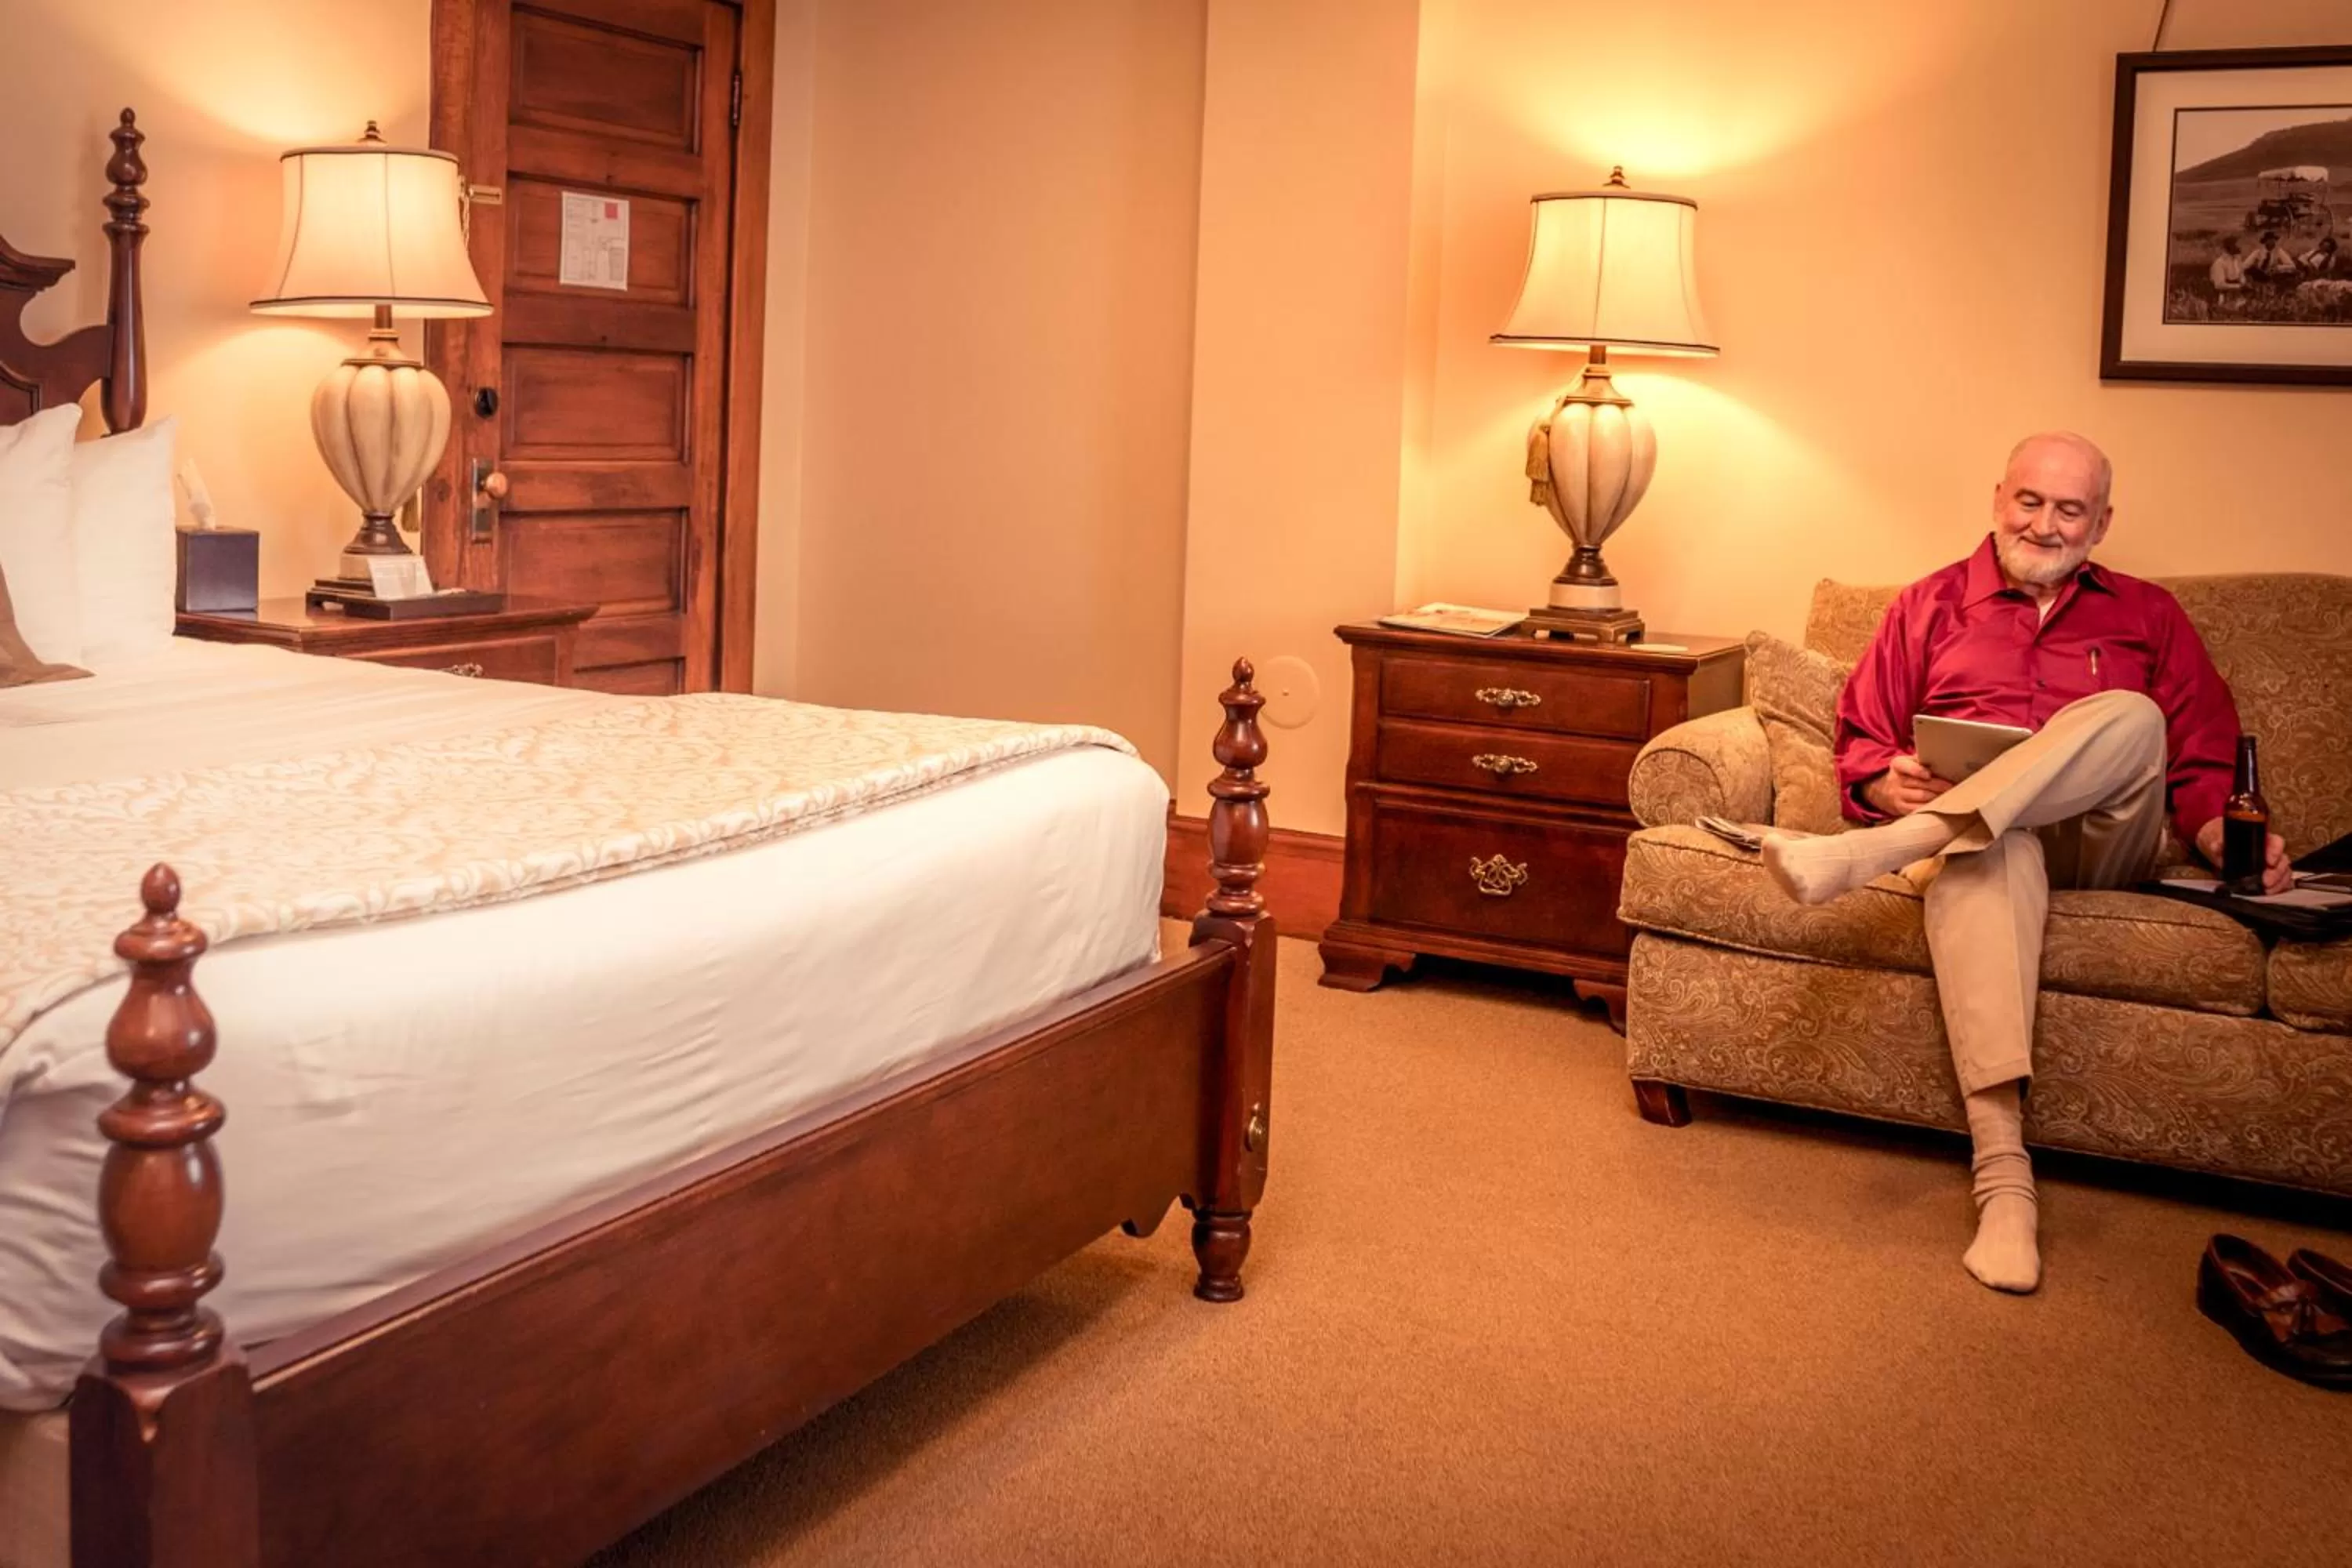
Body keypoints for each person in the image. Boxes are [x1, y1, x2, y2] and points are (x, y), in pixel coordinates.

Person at [1760, 433, 2292, 1296]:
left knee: (2129, 715)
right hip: (1984, 846)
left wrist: (2224, 841)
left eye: (2070, 509)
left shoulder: (2148, 613)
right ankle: (2005, 1184)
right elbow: (1862, 734)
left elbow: (2199, 755)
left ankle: (1892, 850)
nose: (2045, 524)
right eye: (2030, 501)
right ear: (1997, 497)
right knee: (1988, 848)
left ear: (2102, 521)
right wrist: (1883, 781)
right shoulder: (1928, 604)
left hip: (2100, 841)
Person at [2209, 235, 2249, 303]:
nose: (2238, 247)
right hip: (2225, 297)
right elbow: (2219, 285)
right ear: (2228, 248)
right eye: (2234, 245)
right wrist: (2238, 286)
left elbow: (2241, 274)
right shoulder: (2219, 263)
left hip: (2239, 296)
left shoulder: (2236, 260)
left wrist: (2243, 283)